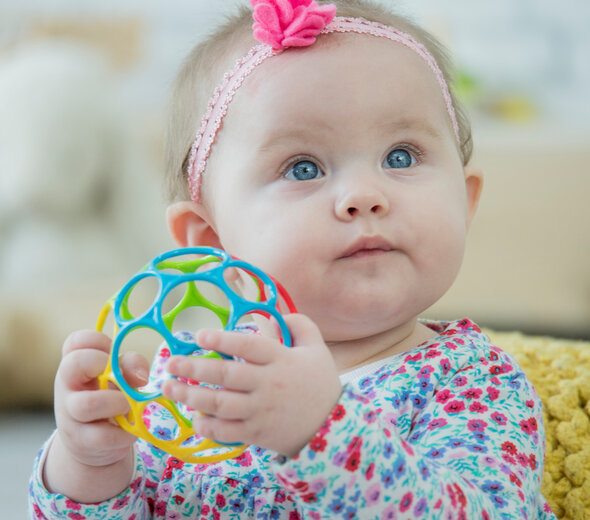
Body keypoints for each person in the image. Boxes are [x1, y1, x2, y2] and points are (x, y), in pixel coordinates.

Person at [29, 0, 555, 518]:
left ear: (465, 202)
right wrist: (89, 466)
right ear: (210, 242)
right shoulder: (186, 381)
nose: (364, 194)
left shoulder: (475, 382)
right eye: (303, 168)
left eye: (401, 156)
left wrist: (320, 431)